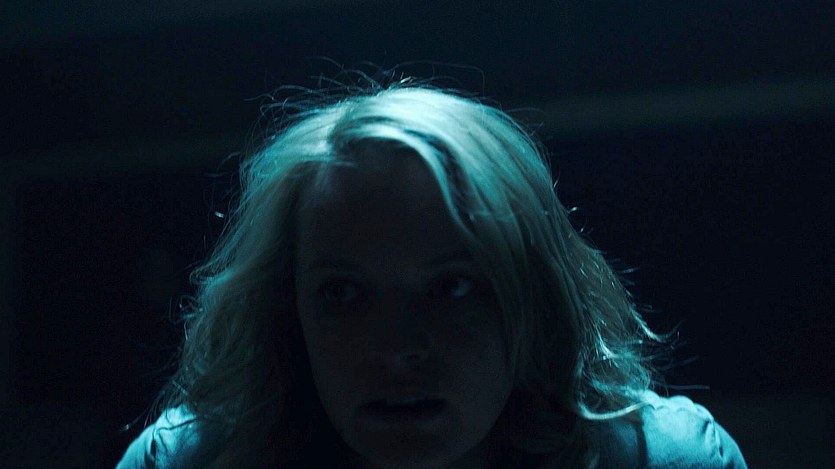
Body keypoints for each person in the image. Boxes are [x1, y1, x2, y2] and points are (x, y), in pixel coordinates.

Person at [116, 83, 747, 468]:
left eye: (452, 288)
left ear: (533, 297)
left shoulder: (663, 461)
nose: (396, 350)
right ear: (290, 310)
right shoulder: (190, 462)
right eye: (343, 294)